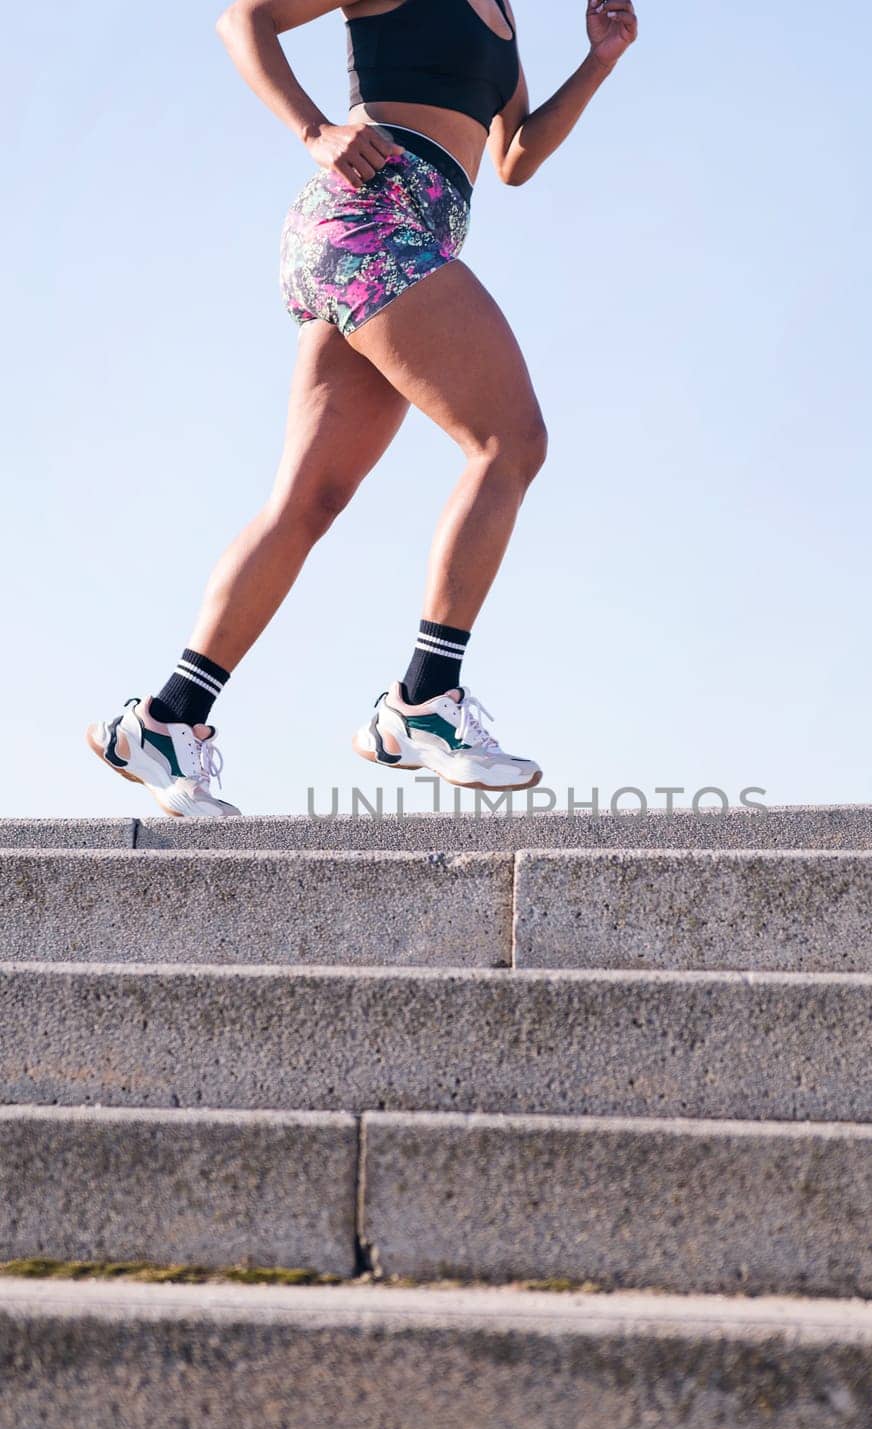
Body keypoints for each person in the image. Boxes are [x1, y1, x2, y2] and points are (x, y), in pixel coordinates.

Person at [87, 0, 638, 818]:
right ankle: (423, 698)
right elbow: (244, 19)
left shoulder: (505, 22)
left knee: (309, 499)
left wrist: (599, 60)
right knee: (508, 443)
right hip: (370, 221)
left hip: (405, 236)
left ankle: (166, 718)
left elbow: (513, 156)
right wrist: (315, 131)